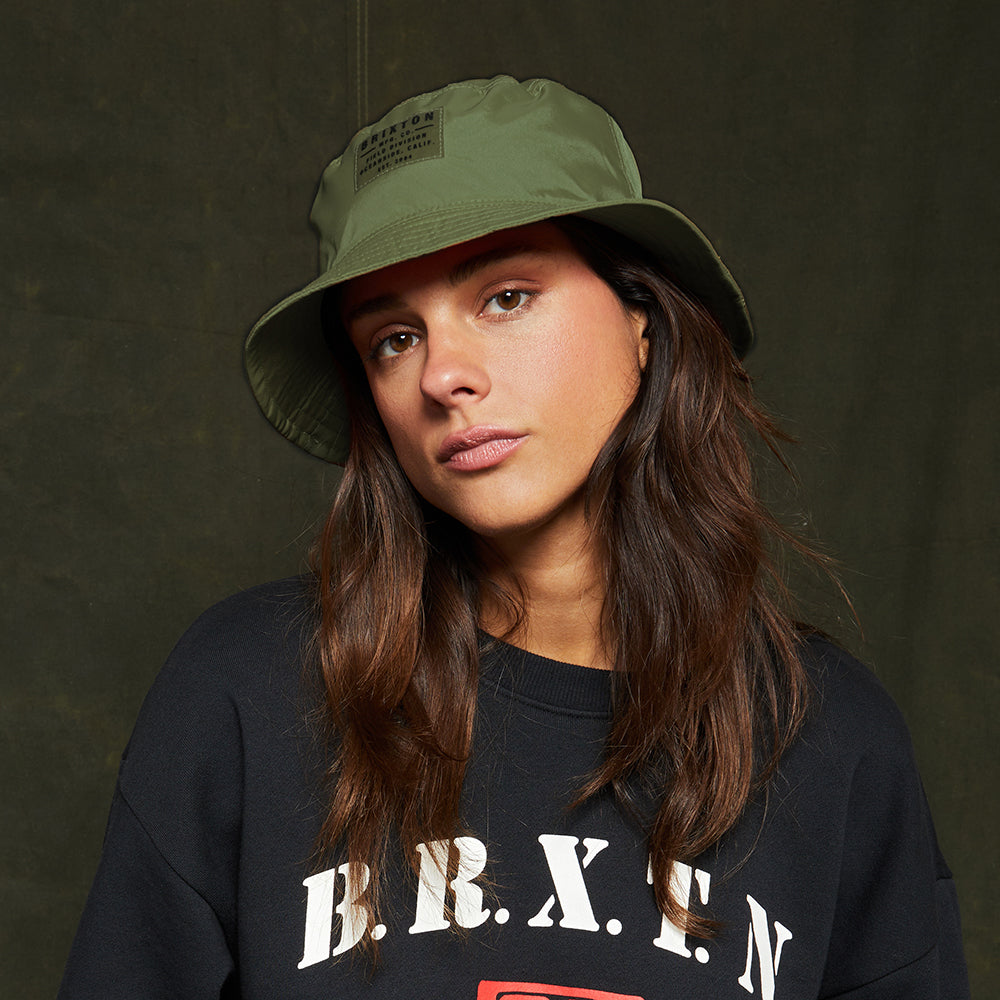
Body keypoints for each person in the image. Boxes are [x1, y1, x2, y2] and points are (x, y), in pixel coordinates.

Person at [58, 76, 969, 999]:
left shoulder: (833, 741)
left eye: (505, 297)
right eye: (393, 339)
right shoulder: (245, 694)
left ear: (641, 320)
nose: (443, 375)